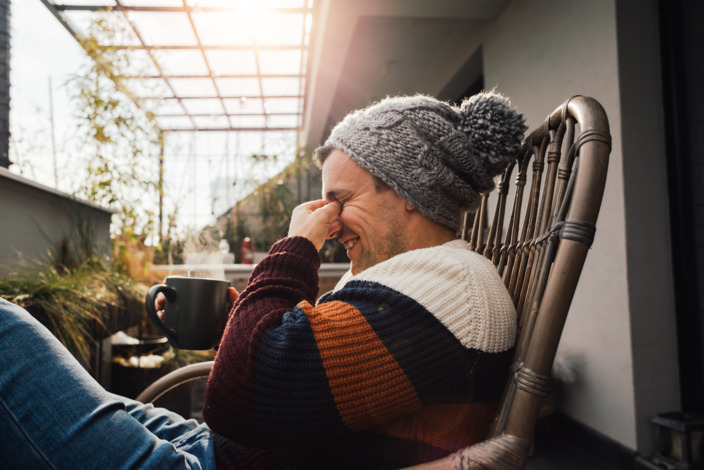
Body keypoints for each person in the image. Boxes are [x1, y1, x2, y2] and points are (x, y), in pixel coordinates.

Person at [0, 90, 526, 469]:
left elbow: (240, 397)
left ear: (411, 189)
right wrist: (238, 319)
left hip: (219, 458)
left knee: (5, 332)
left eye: (341, 200)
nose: (330, 219)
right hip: (226, 450)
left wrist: (293, 248)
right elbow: (307, 363)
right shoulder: (420, 282)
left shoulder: (452, 289)